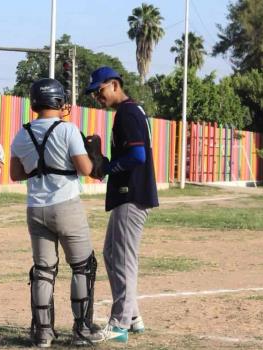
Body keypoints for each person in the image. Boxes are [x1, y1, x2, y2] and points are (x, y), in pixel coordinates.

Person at [10, 78, 105, 347]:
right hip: (65, 206)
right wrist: (92, 155)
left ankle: (43, 333)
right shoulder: (67, 130)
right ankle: (82, 330)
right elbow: (86, 169)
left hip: (36, 207)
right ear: (58, 102)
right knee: (83, 266)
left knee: (43, 270)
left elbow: (16, 173)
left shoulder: (22, 133)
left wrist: (39, 164)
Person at [84, 66, 159, 343]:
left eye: (99, 90)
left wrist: (107, 166)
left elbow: (137, 155)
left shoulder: (127, 113)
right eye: (94, 93)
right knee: (111, 254)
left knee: (124, 258)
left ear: (114, 85)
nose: (97, 97)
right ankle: (133, 316)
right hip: (128, 194)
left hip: (132, 194)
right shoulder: (130, 111)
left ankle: (119, 324)